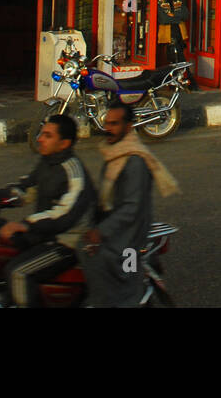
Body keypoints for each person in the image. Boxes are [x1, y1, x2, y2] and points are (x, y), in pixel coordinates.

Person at [0, 114, 96, 308]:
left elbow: (64, 215)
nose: (39, 138)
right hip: (46, 235)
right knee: (0, 251)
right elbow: (25, 190)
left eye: (47, 135)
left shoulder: (74, 172)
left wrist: (24, 224)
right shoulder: (47, 162)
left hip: (68, 242)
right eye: (41, 133)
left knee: (17, 272)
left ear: (64, 143)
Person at [84, 103, 180, 307]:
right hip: (115, 228)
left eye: (114, 124)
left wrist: (100, 231)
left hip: (129, 238)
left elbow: (131, 208)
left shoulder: (134, 161)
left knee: (123, 284)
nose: (108, 128)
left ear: (128, 127)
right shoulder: (114, 153)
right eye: (107, 123)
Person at [156, 0, 189, 67]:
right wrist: (178, 17)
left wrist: (173, 16)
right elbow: (164, 19)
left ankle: (182, 76)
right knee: (174, 59)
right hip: (168, 35)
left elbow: (186, 15)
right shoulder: (159, 1)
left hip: (180, 34)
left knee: (180, 58)